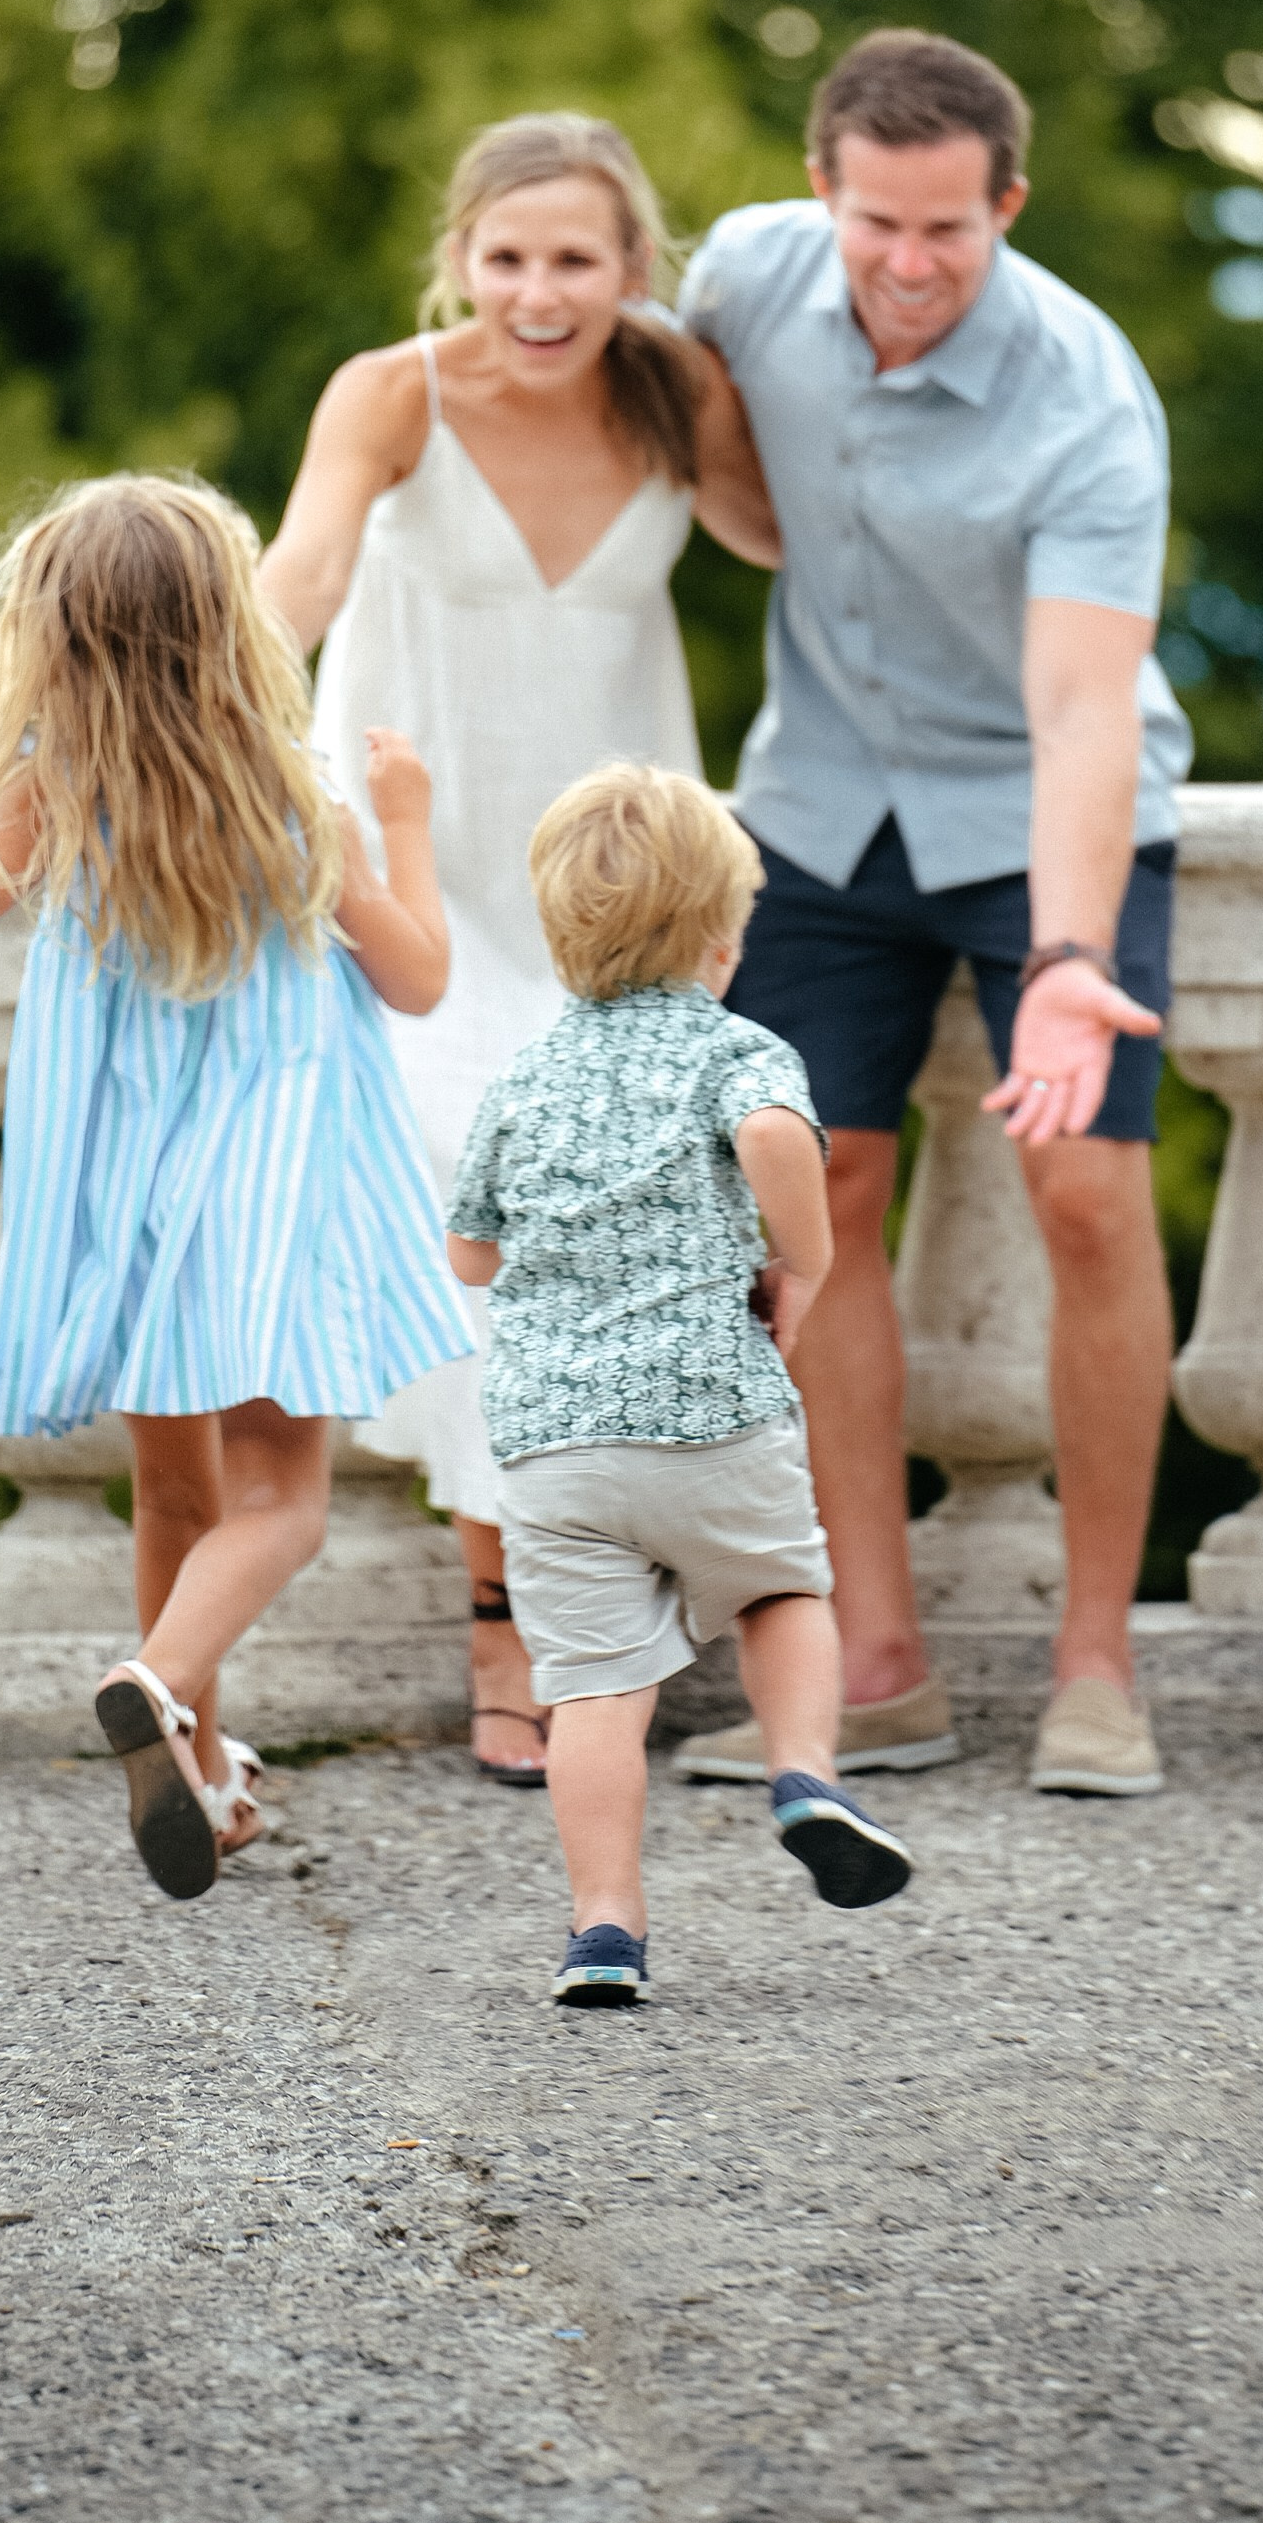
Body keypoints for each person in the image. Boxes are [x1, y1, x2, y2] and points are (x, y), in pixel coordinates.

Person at [0, 473, 473, 1902]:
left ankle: (200, 1777)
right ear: (228, 628)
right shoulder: (293, 795)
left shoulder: (53, 784)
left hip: (131, 1201)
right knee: (282, 1501)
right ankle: (158, 1685)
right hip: (269, 1204)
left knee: (176, 1494)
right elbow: (418, 981)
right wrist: (408, 819)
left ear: (55, 638)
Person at [673, 28, 1190, 1800]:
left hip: (1036, 808)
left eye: (948, 230)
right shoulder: (743, 270)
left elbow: (1079, 715)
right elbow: (682, 455)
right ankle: (876, 1661)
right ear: (821, 190)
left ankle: (1097, 1664)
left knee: (1086, 1186)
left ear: (1008, 206)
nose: (908, 263)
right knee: (812, 1192)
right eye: (877, 221)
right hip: (820, 802)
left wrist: (1063, 962)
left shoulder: (1085, 397)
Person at [260, 115, 777, 1787]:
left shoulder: (677, 388)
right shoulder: (391, 389)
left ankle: (615, 1611)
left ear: (635, 266)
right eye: (507, 256)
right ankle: (516, 1628)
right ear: (459, 257)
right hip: (420, 874)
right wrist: (176, 704)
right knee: (470, 1182)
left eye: (577, 258)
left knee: (647, 1208)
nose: (538, 293)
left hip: (617, 886)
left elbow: (793, 535)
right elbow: (306, 575)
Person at [446, 762, 912, 2005]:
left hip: (554, 1449)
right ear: (722, 939)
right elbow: (770, 1134)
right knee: (779, 1590)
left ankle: (603, 1927)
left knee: (593, 1690)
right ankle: (805, 1772)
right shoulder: (736, 1050)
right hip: (712, 1411)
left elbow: (468, 1252)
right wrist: (801, 1263)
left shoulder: (525, 1076)